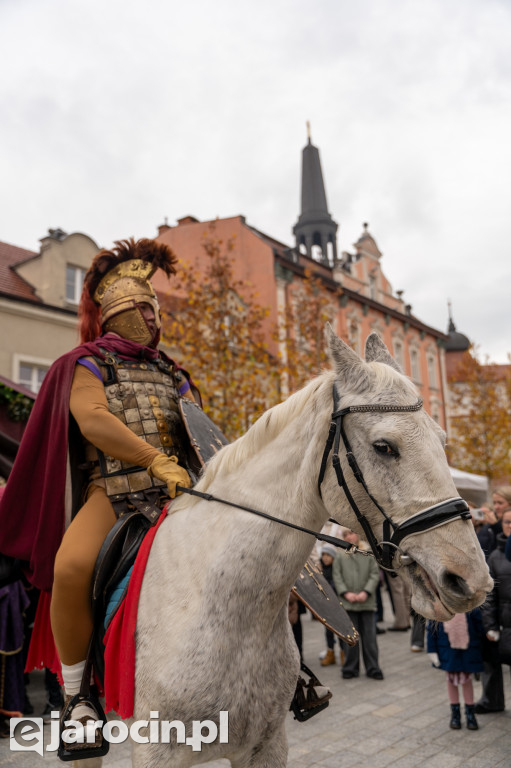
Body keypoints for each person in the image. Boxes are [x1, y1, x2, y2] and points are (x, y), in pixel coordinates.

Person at [0, 238, 197, 751]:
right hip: (112, 494)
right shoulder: (87, 364)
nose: (154, 320)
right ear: (117, 312)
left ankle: (295, 668)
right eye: (144, 309)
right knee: (70, 568)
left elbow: (199, 431)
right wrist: (153, 458)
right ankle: (77, 697)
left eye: (156, 310)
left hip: (178, 495)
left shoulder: (171, 372)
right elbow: (93, 420)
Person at [332, 529, 383, 680]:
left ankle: (373, 667)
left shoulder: (367, 552)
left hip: (366, 601)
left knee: (369, 637)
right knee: (350, 638)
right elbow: (337, 576)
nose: (349, 536)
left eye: (351, 533)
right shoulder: (340, 555)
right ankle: (350, 667)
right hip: (348, 602)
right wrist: (345, 593)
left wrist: (365, 592)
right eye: (345, 535)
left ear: (358, 534)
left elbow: (374, 574)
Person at [476, 506, 511, 714]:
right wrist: (490, 625)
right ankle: (492, 700)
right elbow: (489, 596)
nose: (510, 526)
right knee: (491, 662)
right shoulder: (495, 556)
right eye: (507, 522)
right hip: (500, 624)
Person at [427, 610, 484, 730]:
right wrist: (432, 649)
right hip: (447, 648)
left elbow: (479, 624)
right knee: (451, 679)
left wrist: (481, 647)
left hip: (467, 647)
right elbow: (432, 626)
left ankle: (470, 713)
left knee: (466, 679)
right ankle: (455, 713)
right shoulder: (439, 602)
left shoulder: (469, 601)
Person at [318, 543, 339, 666]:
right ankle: (330, 653)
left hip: (338, 605)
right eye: (323, 555)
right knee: (328, 631)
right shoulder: (320, 570)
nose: (325, 558)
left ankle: (343, 653)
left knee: (340, 630)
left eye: (328, 555)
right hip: (326, 606)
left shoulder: (337, 570)